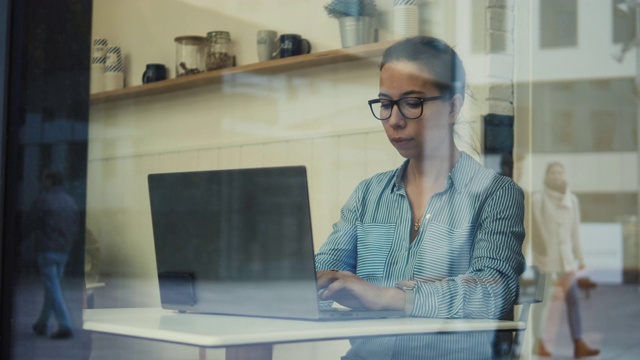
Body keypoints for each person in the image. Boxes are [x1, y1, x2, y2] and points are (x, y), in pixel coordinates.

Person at [315, 36, 526, 359]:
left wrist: (389, 296)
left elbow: (493, 292)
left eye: (412, 103)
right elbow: (321, 277)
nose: (395, 120)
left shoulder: (495, 193)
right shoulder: (368, 195)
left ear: (453, 107)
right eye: (385, 104)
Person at [531, 162, 600, 358]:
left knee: (574, 300)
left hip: (566, 260)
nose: (556, 176)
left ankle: (578, 344)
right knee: (541, 302)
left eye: (559, 172)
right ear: (547, 176)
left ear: (564, 175)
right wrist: (539, 257)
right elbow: (537, 231)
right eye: (552, 173)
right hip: (545, 260)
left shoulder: (572, 200)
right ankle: (538, 342)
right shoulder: (539, 199)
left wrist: (581, 258)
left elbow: (575, 231)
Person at [24, 168, 79, 339]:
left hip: (46, 250)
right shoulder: (71, 202)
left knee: (52, 288)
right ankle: (41, 323)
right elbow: (74, 227)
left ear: (49, 181)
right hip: (63, 250)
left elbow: (29, 223)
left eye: (43, 179)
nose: (41, 182)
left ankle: (65, 324)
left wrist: (16, 241)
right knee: (52, 288)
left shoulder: (43, 200)